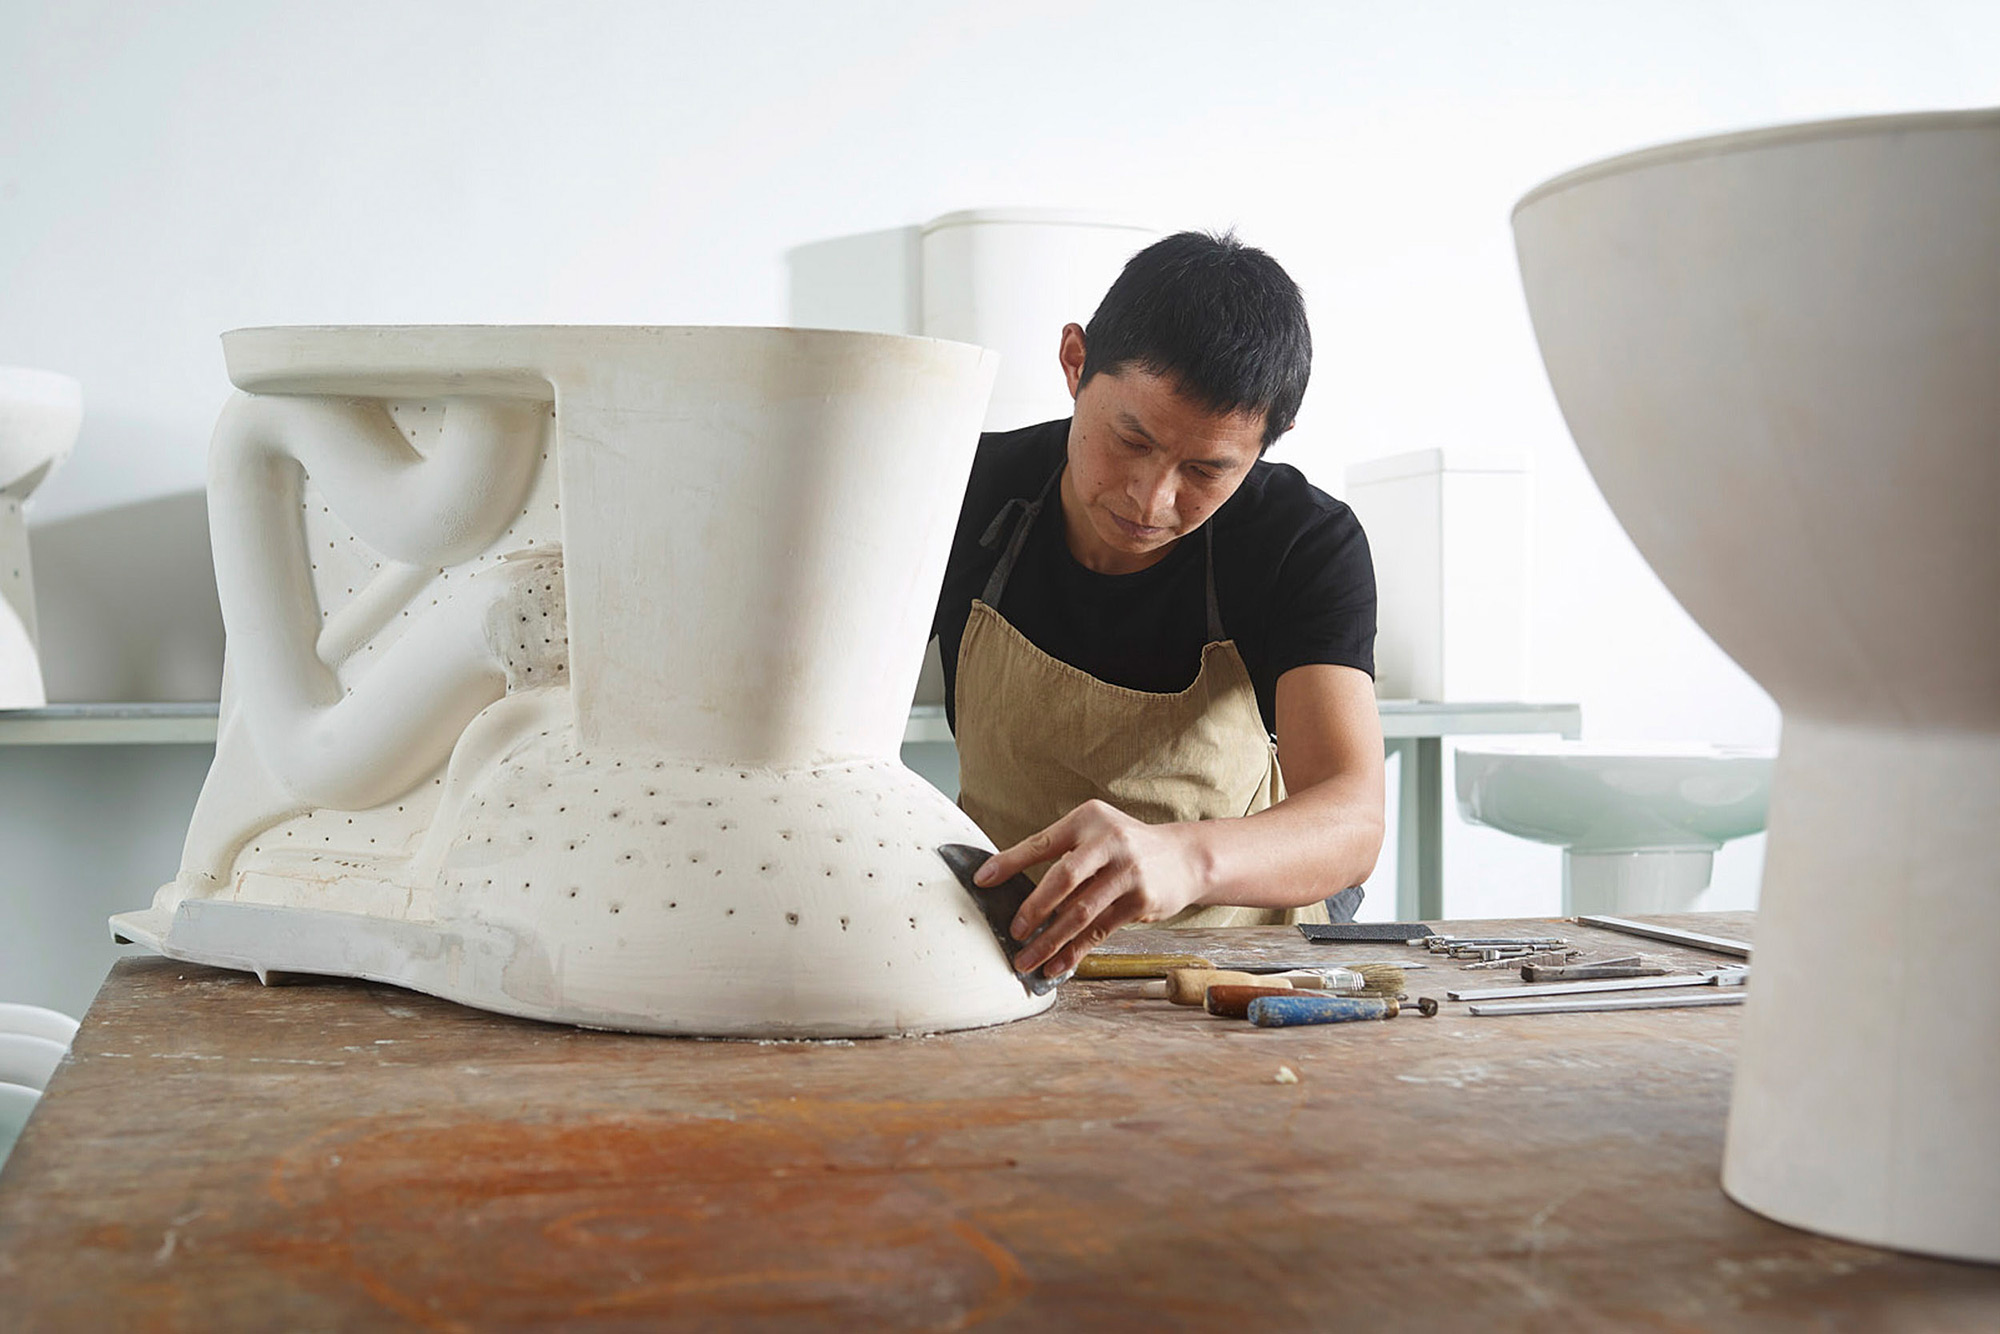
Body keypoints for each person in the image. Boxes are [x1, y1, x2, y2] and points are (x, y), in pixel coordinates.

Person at [929, 230, 1385, 983]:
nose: (1153, 499)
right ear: (1076, 362)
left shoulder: (1302, 539)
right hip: (1006, 948)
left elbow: (1350, 818)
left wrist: (1184, 857)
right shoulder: (958, 487)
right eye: (1130, 439)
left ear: (1273, 438)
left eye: (1207, 469)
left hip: (1235, 966)